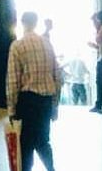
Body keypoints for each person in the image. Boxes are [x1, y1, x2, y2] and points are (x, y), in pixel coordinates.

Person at [7, 10, 61, 171]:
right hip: (45, 100)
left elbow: (13, 80)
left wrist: (11, 109)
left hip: (27, 100)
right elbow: (57, 76)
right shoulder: (47, 44)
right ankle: (51, 169)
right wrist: (55, 105)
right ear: (36, 23)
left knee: (26, 145)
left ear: (22, 23)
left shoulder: (17, 46)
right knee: (43, 141)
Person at [89, 11, 102, 113]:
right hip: (101, 57)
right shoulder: (101, 29)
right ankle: (101, 104)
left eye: (95, 20)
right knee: (100, 82)